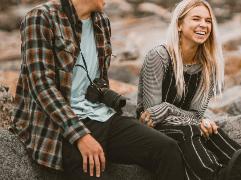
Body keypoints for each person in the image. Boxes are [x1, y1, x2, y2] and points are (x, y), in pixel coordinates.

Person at [11, 0, 186, 179]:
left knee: (167, 149)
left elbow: (98, 79)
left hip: (100, 115)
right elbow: (41, 85)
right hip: (58, 126)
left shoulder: (101, 20)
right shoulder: (41, 17)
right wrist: (80, 136)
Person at [137, 0, 241, 180]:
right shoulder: (158, 56)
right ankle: (216, 175)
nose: (203, 25)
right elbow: (151, 115)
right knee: (190, 129)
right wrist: (178, 113)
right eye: (196, 19)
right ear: (179, 25)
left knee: (211, 129)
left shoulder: (208, 65)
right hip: (150, 132)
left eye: (208, 21)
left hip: (183, 125)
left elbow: (197, 114)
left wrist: (183, 114)